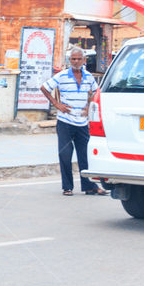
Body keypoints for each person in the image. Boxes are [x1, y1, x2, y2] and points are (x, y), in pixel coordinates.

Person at [40, 47, 107, 196]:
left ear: (84, 60)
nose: (76, 61)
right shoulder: (62, 76)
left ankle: (89, 187)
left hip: (82, 123)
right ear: (70, 60)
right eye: (73, 59)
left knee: (85, 155)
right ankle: (67, 187)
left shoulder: (89, 77)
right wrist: (57, 104)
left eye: (78, 59)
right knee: (65, 154)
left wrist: (88, 106)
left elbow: (96, 92)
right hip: (65, 122)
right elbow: (44, 88)